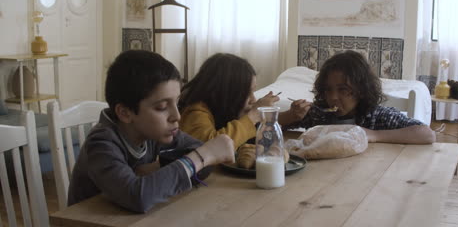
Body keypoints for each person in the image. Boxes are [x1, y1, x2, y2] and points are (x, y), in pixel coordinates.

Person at [67, 50, 235, 213]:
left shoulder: (153, 133)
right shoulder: (101, 144)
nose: (176, 116)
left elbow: (203, 167)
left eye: (177, 103)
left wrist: (158, 169)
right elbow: (137, 197)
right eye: (162, 107)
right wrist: (202, 156)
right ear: (125, 113)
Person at [285, 50, 435, 144]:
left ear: (361, 90)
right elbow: (266, 127)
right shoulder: (318, 115)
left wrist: (374, 135)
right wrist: (290, 115)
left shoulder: (376, 116)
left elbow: (427, 134)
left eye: (343, 90)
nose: (333, 97)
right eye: (328, 90)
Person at [179, 53, 311, 149]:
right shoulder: (195, 112)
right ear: (225, 93)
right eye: (246, 93)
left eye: (253, 91)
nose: (253, 99)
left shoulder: (221, 107)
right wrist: (253, 115)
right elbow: (210, 146)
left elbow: (244, 128)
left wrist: (289, 116)